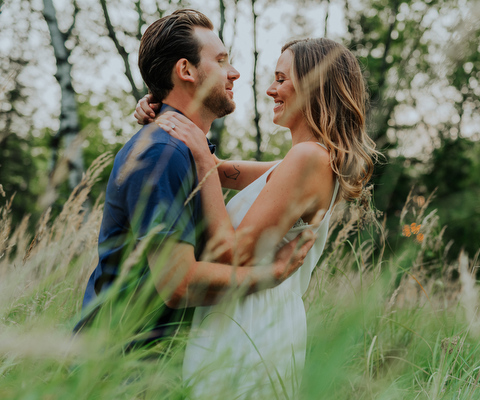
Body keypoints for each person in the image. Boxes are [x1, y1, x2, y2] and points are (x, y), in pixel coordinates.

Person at [135, 37, 378, 397]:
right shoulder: (298, 161)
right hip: (241, 317)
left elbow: (230, 252)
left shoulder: (308, 159)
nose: (270, 90)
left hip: (251, 327)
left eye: (281, 79)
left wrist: (201, 157)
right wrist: (162, 115)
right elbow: (217, 170)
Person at [75, 9, 314, 350]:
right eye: (220, 61)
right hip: (121, 365)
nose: (234, 72)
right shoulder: (162, 153)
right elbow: (179, 285)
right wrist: (272, 274)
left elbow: (291, 171)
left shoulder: (187, 151)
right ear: (185, 70)